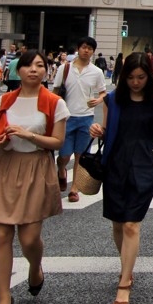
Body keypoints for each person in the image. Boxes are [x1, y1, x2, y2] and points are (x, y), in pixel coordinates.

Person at [89, 52, 153, 304]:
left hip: (145, 164)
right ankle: (126, 266)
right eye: (131, 77)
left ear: (149, 76)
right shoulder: (112, 99)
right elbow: (108, 129)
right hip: (116, 163)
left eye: (141, 77)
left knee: (132, 223)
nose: (135, 82)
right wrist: (98, 130)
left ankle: (124, 283)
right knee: (118, 223)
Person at [0, 50, 69, 304]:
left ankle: (34, 267)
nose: (33, 70)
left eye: (39, 65)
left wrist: (29, 135)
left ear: (46, 71)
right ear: (18, 71)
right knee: (2, 235)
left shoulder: (54, 102)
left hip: (35, 169)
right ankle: (4, 299)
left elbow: (58, 142)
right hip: (4, 168)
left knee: (29, 238)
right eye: (28, 65)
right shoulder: (5, 101)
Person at [54, 37, 108, 203]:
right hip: (66, 117)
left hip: (86, 117)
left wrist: (98, 100)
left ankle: (74, 189)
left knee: (80, 155)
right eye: (84, 47)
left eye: (90, 48)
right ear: (78, 48)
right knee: (64, 154)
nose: (87, 51)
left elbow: (103, 92)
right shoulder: (64, 69)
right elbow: (55, 91)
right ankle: (61, 169)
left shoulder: (96, 72)